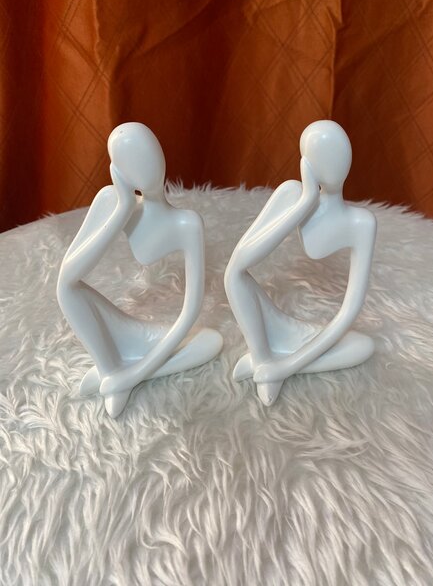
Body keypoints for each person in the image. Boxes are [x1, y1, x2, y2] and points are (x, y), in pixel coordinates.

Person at [57, 123, 223, 417]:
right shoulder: (110, 201)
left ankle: (119, 376)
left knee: (211, 342)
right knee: (67, 291)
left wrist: (140, 371)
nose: (148, 168)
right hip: (115, 329)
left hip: (150, 337)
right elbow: (68, 279)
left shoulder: (186, 223)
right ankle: (111, 368)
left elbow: (190, 312)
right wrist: (122, 208)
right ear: (118, 170)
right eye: (132, 162)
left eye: (151, 156)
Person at [224, 120, 376, 406]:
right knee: (234, 277)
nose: (336, 163)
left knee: (362, 346)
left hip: (311, 337)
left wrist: (288, 366)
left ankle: (269, 367)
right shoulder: (291, 195)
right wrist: (305, 202)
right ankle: (262, 357)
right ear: (306, 161)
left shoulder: (361, 222)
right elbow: (238, 266)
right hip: (273, 326)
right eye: (322, 155)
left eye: (341, 153)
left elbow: (348, 312)